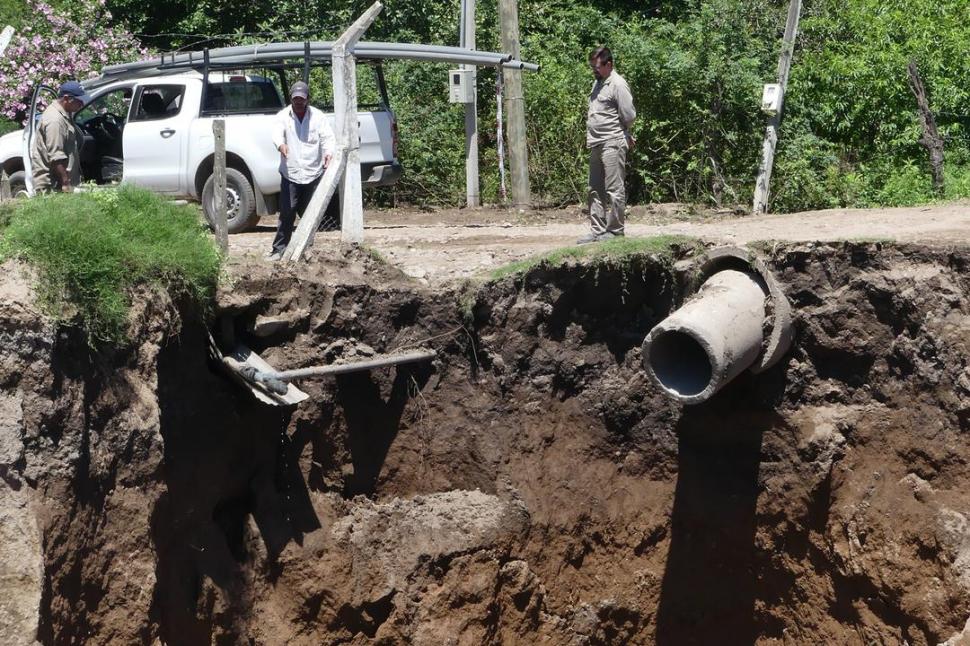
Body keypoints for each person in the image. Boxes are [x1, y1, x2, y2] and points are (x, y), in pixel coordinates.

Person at [267, 80, 337, 260]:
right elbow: (276, 133)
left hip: (313, 173)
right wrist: (281, 144)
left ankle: (306, 250)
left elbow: (328, 138)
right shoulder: (282, 116)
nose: (298, 102)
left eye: (302, 99)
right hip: (291, 173)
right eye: (295, 99)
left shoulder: (318, 117)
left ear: (308, 99)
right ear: (290, 99)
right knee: (287, 212)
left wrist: (329, 153)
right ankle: (279, 249)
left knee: (310, 215)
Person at [577, 46, 637, 245]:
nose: (594, 70)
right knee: (594, 189)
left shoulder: (618, 84)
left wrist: (625, 133)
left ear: (609, 64)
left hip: (612, 141)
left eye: (597, 66)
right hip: (595, 143)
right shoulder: (598, 82)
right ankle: (597, 230)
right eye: (592, 67)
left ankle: (615, 230)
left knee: (614, 189)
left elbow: (629, 115)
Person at [30, 80, 90, 194]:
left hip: (60, 182)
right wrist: (65, 182)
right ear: (66, 99)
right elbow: (56, 156)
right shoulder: (55, 120)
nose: (81, 104)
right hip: (54, 185)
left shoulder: (64, 114)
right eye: (78, 101)